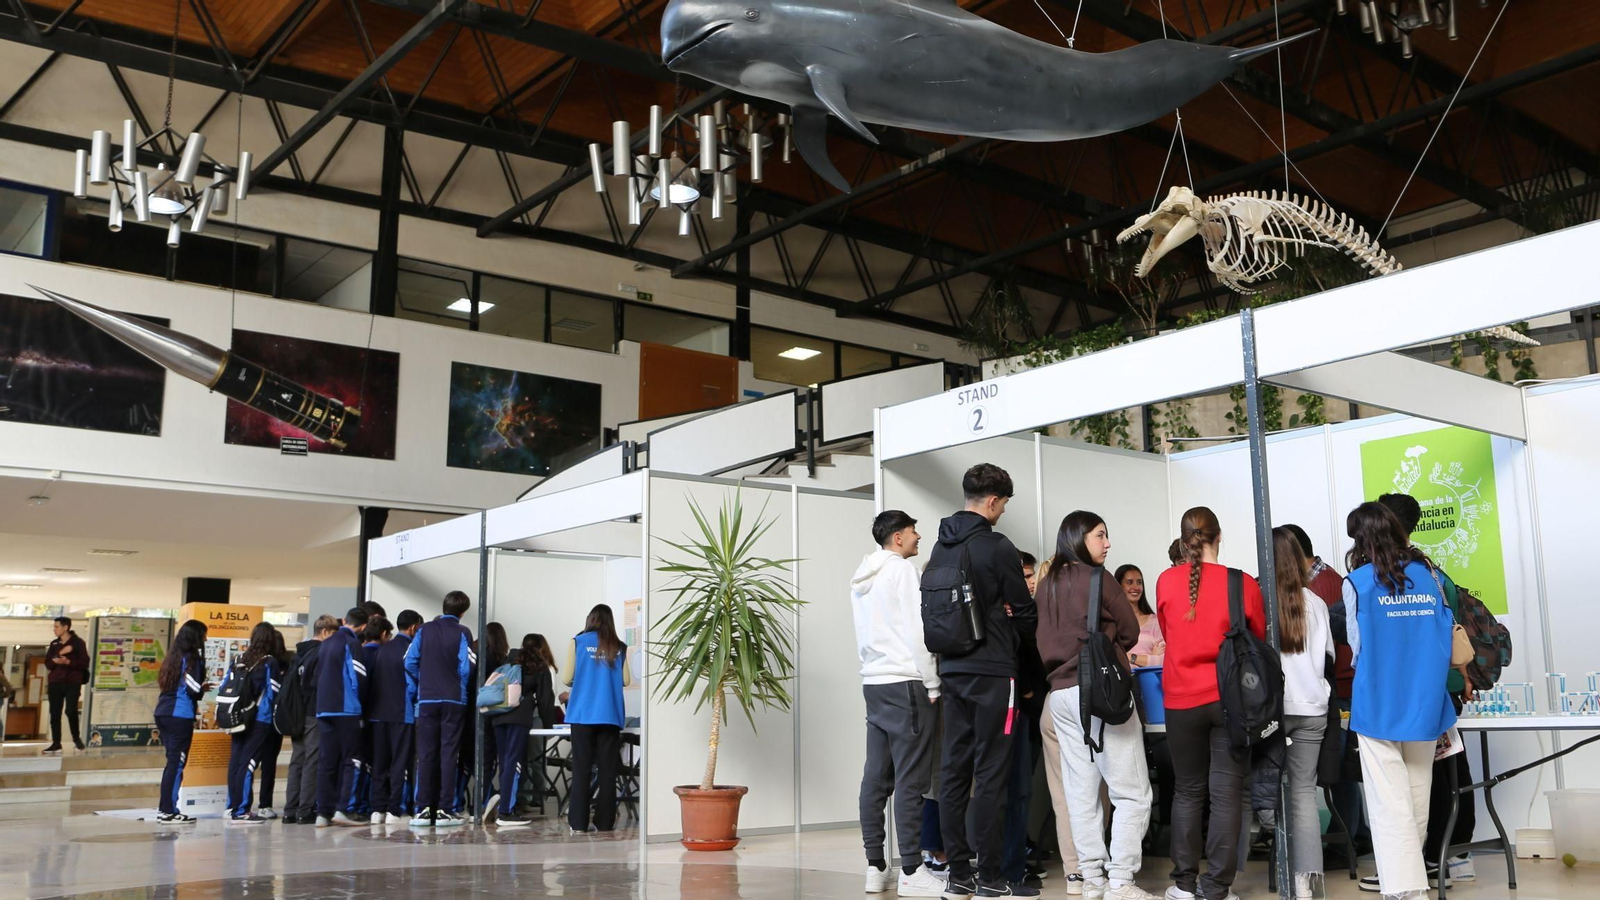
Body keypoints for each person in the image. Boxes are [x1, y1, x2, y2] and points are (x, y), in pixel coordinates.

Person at [931, 463, 1038, 899]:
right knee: (992, 773)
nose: (1003, 512)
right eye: (1005, 504)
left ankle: (959, 874)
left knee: (954, 771)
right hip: (994, 672)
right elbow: (1025, 611)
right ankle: (992, 877)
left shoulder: (941, 548)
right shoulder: (997, 546)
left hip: (952, 669)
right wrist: (1014, 627)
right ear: (993, 501)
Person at [1037, 511, 1156, 900]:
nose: (1107, 544)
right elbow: (1131, 630)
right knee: (1132, 791)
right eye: (1100, 536)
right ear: (1078, 538)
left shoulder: (1046, 584)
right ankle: (1121, 879)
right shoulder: (1097, 579)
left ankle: (1091, 879)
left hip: (1060, 697)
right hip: (1101, 693)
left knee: (1081, 792)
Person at [1344, 501, 1457, 900]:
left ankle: (1407, 889)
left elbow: (1357, 650)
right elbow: (1444, 635)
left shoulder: (1357, 582)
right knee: (1416, 792)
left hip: (1379, 702)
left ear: (1363, 539)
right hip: (1426, 701)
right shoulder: (1430, 576)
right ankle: (1411, 886)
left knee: (1389, 800)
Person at [1156, 506, 1266, 900]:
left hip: (1180, 700)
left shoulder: (1166, 582)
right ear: (1219, 537)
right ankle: (1216, 888)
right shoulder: (1242, 584)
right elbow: (1257, 639)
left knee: (1186, 791)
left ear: (1184, 542)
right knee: (1227, 794)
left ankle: (1183, 885)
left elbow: (1171, 633)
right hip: (1229, 701)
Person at [1376, 493, 1477, 887]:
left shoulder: (1394, 575)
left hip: (1417, 687)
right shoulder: (1433, 572)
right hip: (1441, 686)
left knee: (1425, 775)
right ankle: (1451, 852)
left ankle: (1432, 858)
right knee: (1449, 769)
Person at [851, 510, 945, 898]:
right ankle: (911, 869)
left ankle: (876, 866)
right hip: (906, 683)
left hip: (873, 683)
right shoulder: (903, 572)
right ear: (897, 537)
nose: (918, 535)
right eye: (912, 530)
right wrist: (933, 681)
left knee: (876, 777)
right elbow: (917, 630)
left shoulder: (860, 578)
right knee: (911, 779)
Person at [1279, 523, 1361, 860]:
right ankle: (1309, 877)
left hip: (1299, 701)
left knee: (1329, 779)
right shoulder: (1318, 594)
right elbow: (1327, 651)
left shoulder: (1324, 585)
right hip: (1319, 699)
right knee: (1308, 790)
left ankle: (1344, 845)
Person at [1271, 527, 1335, 900]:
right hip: (1313, 708)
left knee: (1268, 791)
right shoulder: (1316, 603)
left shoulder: (1263, 602)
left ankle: (1277, 872)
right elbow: (1327, 658)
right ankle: (1304, 883)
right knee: (1303, 795)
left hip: (1276, 712)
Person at [406, 591, 476, 828]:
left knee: (425, 754)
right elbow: (466, 668)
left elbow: (409, 662)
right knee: (449, 754)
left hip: (426, 700)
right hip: (454, 700)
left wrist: (423, 683)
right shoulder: (463, 632)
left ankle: (423, 809)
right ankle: (446, 809)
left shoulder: (424, 630)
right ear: (463, 611)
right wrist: (457, 687)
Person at [1003, 551, 1049, 891]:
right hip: (1020, 709)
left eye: (1032, 575)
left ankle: (1019, 854)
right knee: (1015, 788)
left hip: (1036, 709)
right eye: (1025, 576)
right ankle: (1011, 863)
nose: (1030, 582)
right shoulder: (1011, 614)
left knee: (1026, 788)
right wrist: (1031, 695)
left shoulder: (1033, 611)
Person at [563, 604, 631, 834]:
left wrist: (584, 677)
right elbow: (626, 680)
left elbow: (566, 678)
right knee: (607, 771)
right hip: (609, 715)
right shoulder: (619, 647)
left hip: (582, 714)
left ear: (590, 619)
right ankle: (604, 822)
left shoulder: (578, 642)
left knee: (581, 769)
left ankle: (578, 823)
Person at [488, 634, 560, 827]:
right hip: (518, 719)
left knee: (505, 762)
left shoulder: (508, 661)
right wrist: (549, 725)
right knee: (515, 763)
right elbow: (545, 700)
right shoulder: (539, 665)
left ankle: (503, 804)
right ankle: (506, 812)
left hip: (498, 716)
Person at [314, 606, 369, 827]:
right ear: (363, 626)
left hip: (323, 708)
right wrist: (362, 707)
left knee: (327, 761)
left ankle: (322, 813)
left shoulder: (325, 644)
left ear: (345, 620)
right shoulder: (352, 643)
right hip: (346, 709)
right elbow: (359, 677)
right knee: (352, 759)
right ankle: (345, 809)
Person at [225, 623, 282, 824]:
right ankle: (242, 810)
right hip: (259, 718)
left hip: (238, 716)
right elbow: (273, 692)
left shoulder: (238, 659)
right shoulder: (269, 662)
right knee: (249, 762)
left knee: (236, 760)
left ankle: (232, 805)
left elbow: (226, 685)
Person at [153, 619, 207, 824]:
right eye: (203, 635)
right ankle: (167, 810)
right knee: (176, 763)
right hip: (180, 714)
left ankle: (166, 808)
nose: (206, 639)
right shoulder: (192, 657)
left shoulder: (172, 657)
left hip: (163, 712)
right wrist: (202, 688)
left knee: (172, 761)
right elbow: (193, 688)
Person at [283, 615, 336, 824]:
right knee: (312, 760)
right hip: (314, 711)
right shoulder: (321, 653)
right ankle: (305, 810)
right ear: (325, 632)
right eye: (333, 634)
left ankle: (290, 809)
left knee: (298, 759)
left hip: (297, 712)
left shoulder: (300, 654)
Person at [370, 610, 420, 825]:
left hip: (378, 713)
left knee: (380, 762)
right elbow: (412, 684)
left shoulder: (382, 649)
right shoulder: (410, 649)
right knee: (400, 762)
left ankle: (377, 810)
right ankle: (394, 809)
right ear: (413, 628)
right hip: (402, 712)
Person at [255, 629, 292, 819]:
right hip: (274, 719)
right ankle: (265, 803)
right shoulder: (287, 663)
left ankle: (239, 803)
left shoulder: (258, 663)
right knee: (269, 763)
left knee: (250, 762)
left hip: (255, 718)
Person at [44, 616, 90, 754]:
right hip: (55, 682)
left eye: (57, 627)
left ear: (66, 627)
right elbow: (48, 663)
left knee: (71, 711)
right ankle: (56, 743)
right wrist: (60, 654)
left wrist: (68, 662)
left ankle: (76, 739)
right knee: (55, 713)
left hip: (72, 682)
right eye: (54, 627)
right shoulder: (54, 644)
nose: (54, 629)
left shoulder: (78, 643)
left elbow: (84, 663)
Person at [1115, 565, 1164, 668]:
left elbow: (1163, 660)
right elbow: (1111, 658)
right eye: (1129, 582)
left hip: (1149, 682)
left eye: (1139, 582)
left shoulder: (1156, 622)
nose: (1136, 587)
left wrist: (1128, 657)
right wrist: (1150, 657)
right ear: (1119, 586)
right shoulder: (1113, 623)